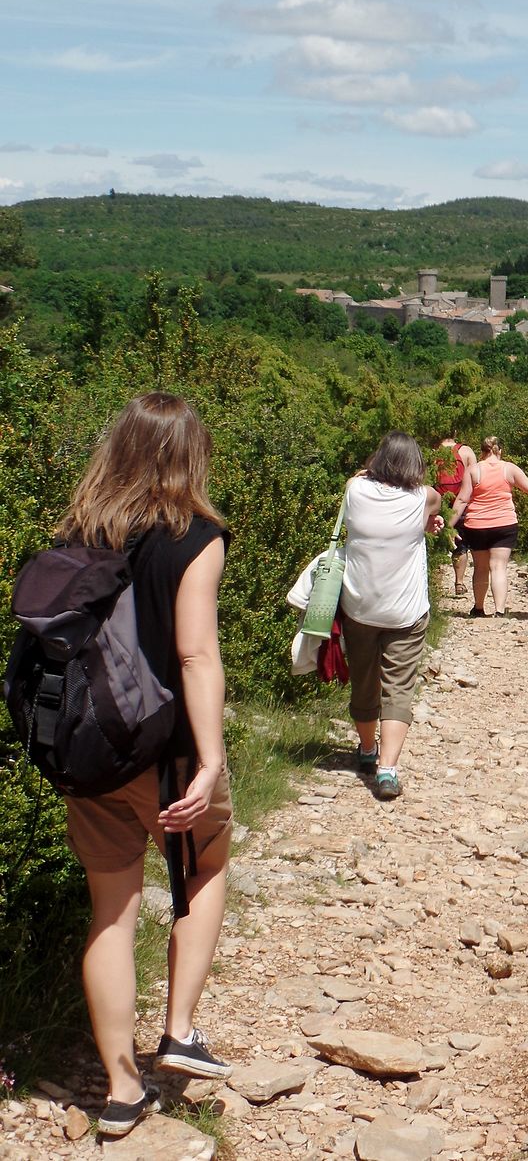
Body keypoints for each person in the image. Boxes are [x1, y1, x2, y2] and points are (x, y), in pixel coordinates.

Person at [58, 392, 233, 1137]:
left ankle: (121, 1091)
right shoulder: (198, 536)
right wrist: (212, 760)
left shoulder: (81, 529)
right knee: (204, 870)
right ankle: (180, 1030)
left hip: (92, 747)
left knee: (111, 911)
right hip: (165, 753)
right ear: (190, 453)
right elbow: (194, 652)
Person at [340, 431, 444, 800]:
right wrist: (426, 524)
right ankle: (387, 770)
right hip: (405, 611)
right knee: (398, 686)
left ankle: (367, 751)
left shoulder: (355, 490)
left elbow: (361, 481)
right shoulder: (423, 497)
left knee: (364, 680)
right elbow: (433, 504)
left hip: (360, 608)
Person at [448, 437, 528, 618]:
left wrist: (449, 526)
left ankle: (478, 608)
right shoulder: (509, 468)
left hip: (477, 525)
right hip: (504, 524)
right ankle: (500, 611)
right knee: (499, 567)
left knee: (480, 568)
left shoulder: (473, 470)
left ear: (482, 451)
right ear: (499, 450)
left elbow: (462, 500)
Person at [433, 435, 477, 597]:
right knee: (462, 543)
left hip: (439, 502)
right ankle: (459, 582)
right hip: (462, 503)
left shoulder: (433, 452)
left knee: (449, 540)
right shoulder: (465, 451)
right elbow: (476, 478)